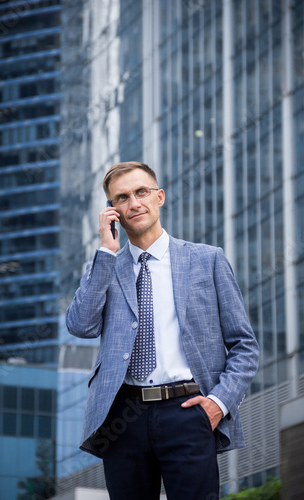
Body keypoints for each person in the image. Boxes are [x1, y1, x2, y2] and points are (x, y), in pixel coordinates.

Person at [66, 161, 259, 500]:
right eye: (122, 198)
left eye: (141, 192)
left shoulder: (207, 260)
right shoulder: (103, 266)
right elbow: (81, 325)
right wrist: (106, 253)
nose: (134, 204)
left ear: (159, 197)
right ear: (112, 211)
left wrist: (217, 404)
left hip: (188, 411)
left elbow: (244, 345)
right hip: (122, 417)